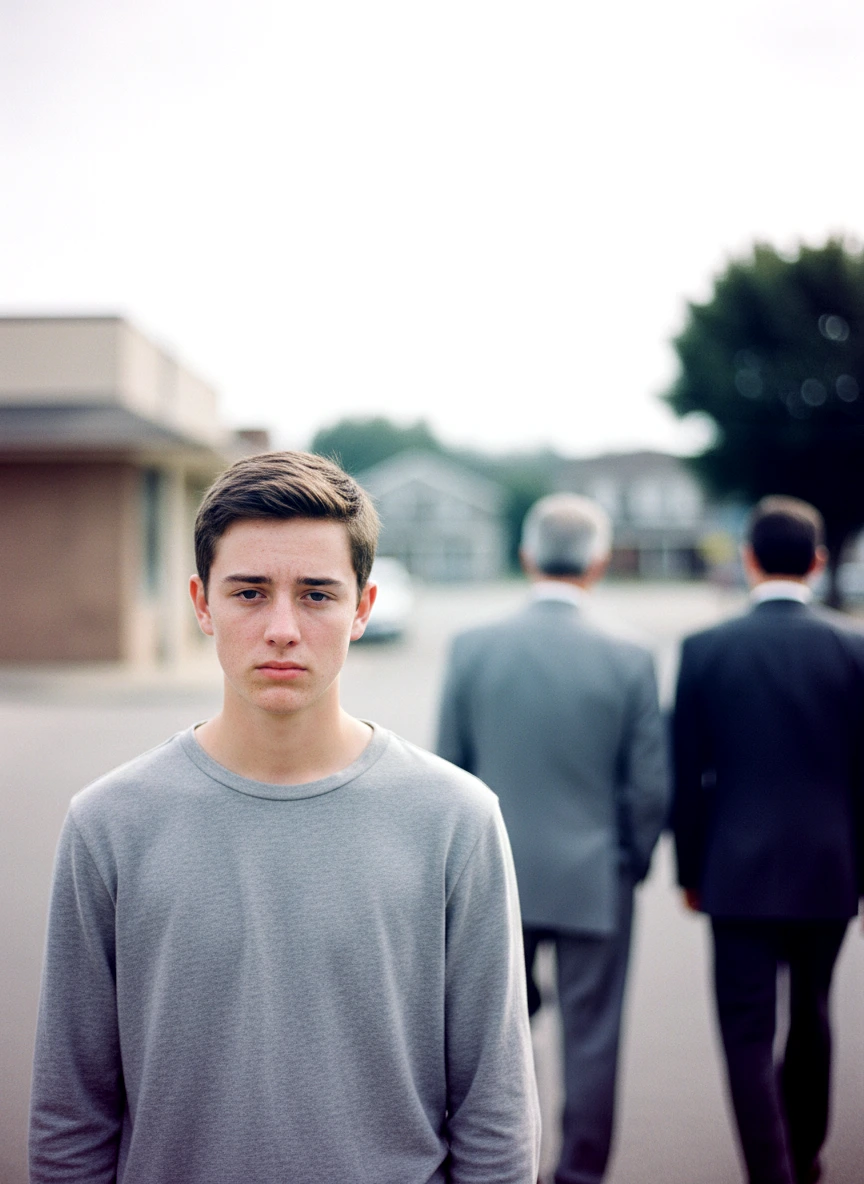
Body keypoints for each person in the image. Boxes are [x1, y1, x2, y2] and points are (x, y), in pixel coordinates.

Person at [29, 450, 541, 1184]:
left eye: (316, 594)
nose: (282, 628)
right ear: (202, 604)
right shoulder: (108, 824)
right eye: (249, 592)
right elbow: (71, 1116)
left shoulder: (456, 819)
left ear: (362, 608)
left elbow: (496, 1110)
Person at [436, 493, 668, 1184]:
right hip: (595, 872)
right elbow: (649, 784)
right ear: (599, 563)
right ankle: (581, 1173)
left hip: (491, 877)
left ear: (527, 555)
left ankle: (503, 1168)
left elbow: (449, 770)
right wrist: (630, 861)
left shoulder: (473, 647)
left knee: (490, 1038)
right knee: (593, 1037)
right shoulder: (631, 654)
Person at [672, 495, 864, 1184]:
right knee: (813, 1012)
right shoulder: (854, 648)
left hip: (736, 870)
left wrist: (690, 872)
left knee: (746, 1032)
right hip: (831, 868)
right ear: (818, 562)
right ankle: (805, 1157)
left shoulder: (706, 648)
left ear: (749, 558)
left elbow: (686, 774)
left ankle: (769, 1170)